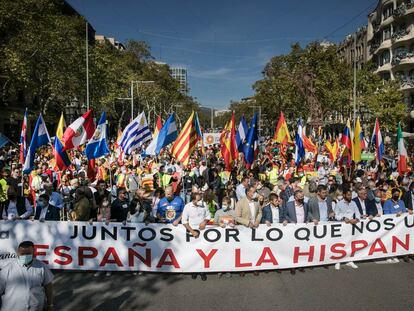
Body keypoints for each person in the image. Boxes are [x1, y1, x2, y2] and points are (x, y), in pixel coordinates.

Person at [0, 241, 54, 311]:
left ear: (34, 252)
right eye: (22, 254)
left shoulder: (42, 267)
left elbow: (48, 286)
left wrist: (50, 304)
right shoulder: (7, 269)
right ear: (18, 252)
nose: (25, 256)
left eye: (28, 254)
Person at [181, 192, 210, 281]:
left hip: (203, 232)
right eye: (198, 200)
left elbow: (208, 215)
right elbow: (184, 221)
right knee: (193, 252)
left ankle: (202, 271)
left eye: (201, 199)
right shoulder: (187, 207)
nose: (200, 201)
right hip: (192, 233)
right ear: (193, 200)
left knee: (202, 252)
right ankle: (194, 270)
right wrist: (192, 231)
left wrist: (204, 222)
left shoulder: (204, 204)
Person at [334, 188, 360, 270]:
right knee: (340, 243)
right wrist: (343, 218)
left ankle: (349, 260)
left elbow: (358, 214)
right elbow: (336, 215)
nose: (350, 196)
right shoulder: (339, 204)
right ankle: (338, 261)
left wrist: (356, 219)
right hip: (342, 226)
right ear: (344, 195)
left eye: (351, 195)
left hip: (352, 226)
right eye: (348, 195)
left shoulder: (353, 203)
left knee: (350, 243)